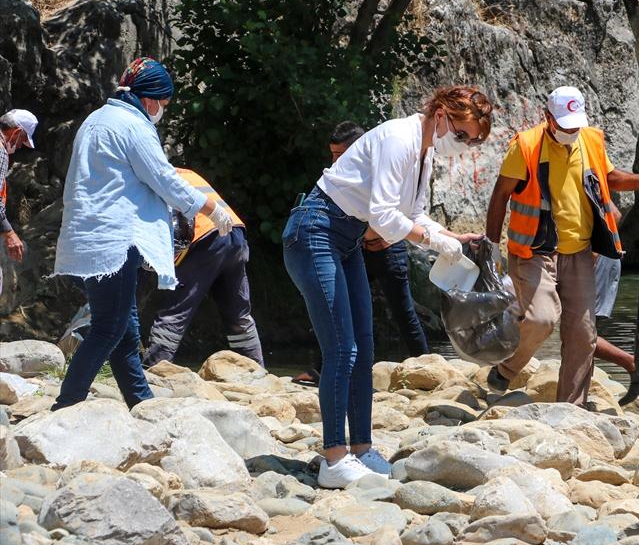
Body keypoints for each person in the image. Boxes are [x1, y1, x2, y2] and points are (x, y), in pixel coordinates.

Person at [283, 87, 494, 488]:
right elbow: (382, 214)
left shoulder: (424, 152)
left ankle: (362, 449)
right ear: (441, 113)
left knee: (362, 344)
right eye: (462, 135)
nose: (462, 145)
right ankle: (333, 459)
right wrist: (433, 242)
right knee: (341, 348)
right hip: (315, 230)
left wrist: (453, 237)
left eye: (471, 142)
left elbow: (413, 214)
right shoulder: (400, 138)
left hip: (345, 239)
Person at [51, 57, 234, 410]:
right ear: (150, 100)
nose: (162, 110)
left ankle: (141, 402)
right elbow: (164, 179)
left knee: (124, 329)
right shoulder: (131, 126)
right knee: (109, 328)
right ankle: (66, 405)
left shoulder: (97, 119)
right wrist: (211, 208)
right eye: (163, 104)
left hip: (91, 239)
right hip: (116, 241)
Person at [484, 85, 639, 406]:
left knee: (583, 334)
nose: (571, 132)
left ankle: (572, 408)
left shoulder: (590, 140)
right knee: (542, 319)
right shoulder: (525, 147)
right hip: (534, 251)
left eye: (575, 125)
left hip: (579, 252)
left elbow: (608, 177)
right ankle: (508, 367)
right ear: (548, 118)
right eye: (564, 126)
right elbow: (500, 196)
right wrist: (489, 245)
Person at [294, 121, 432, 387]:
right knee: (333, 303)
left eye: (339, 154)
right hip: (357, 246)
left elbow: (394, 208)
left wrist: (385, 235)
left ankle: (426, 366)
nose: (334, 161)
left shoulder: (385, 157)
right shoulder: (344, 171)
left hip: (388, 245)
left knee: (402, 310)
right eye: (331, 154)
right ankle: (323, 370)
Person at [143, 168, 263, 367]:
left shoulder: (155, 176)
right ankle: (256, 370)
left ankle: (153, 371)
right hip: (234, 233)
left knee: (175, 310)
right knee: (238, 313)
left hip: (203, 238)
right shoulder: (183, 172)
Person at [0, 109, 38, 294]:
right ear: (15, 132)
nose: (20, 147)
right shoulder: (0, 151)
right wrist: (9, 232)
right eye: (22, 140)